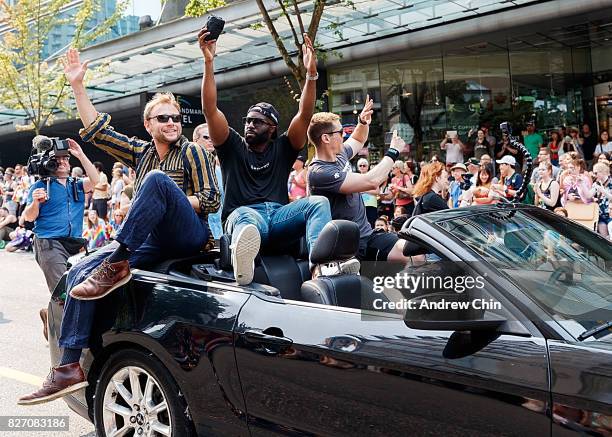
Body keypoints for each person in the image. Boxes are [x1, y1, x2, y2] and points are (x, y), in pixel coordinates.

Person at [18, 48, 220, 406]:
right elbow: (96, 130)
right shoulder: (141, 153)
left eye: (175, 117)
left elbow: (210, 199)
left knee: (157, 182)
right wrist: (78, 87)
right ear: (149, 125)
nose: (172, 122)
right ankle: (68, 368)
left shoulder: (194, 152)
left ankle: (119, 259)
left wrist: (170, 200)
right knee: (80, 272)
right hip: (153, 242)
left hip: (190, 237)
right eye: (163, 118)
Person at [200, 29, 332, 284]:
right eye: (247, 121)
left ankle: (321, 268)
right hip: (246, 217)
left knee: (318, 203)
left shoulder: (283, 147)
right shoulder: (231, 146)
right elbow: (210, 109)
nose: (249, 125)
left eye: (257, 122)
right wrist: (208, 62)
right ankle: (244, 262)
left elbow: (304, 115)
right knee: (244, 218)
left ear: (272, 128)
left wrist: (312, 75)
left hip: (279, 218)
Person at [307, 109, 409, 263]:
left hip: (368, 235)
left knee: (413, 254)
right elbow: (371, 181)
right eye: (340, 132)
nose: (344, 135)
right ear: (326, 138)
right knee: (360, 285)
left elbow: (358, 139)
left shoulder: (339, 154)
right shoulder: (319, 172)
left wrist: (362, 122)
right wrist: (393, 151)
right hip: (345, 247)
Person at [193, 123, 224, 240]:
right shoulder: (186, 168)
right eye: (206, 137)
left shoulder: (220, 171)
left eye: (213, 137)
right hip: (199, 234)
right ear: (195, 140)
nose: (211, 140)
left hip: (221, 233)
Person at [590, 162, 612, 239]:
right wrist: (581, 184)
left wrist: (602, 191)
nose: (594, 175)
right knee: (605, 239)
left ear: (603, 172)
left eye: (596, 173)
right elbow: (588, 195)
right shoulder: (597, 183)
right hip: (601, 215)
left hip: (610, 214)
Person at [357, 158, 379, 228]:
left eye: (364, 165)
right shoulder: (356, 178)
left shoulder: (373, 177)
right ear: (358, 167)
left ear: (367, 167)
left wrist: (364, 190)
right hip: (359, 205)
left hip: (371, 205)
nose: (362, 167)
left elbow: (377, 191)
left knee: (371, 224)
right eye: (360, 165)